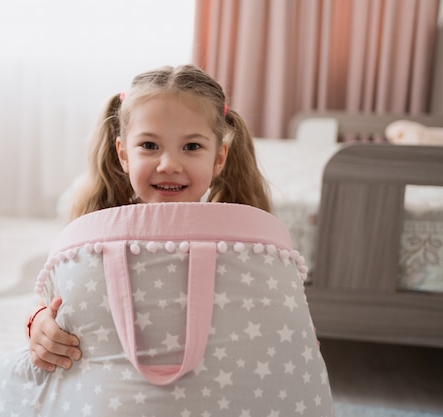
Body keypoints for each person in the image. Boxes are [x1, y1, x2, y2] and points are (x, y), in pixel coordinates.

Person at [26, 64, 270, 373]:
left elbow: (274, 306)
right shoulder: (95, 226)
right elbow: (52, 300)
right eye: (149, 146)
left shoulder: (246, 240)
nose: (169, 164)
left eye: (192, 146)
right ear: (124, 154)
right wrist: (38, 324)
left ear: (219, 158)